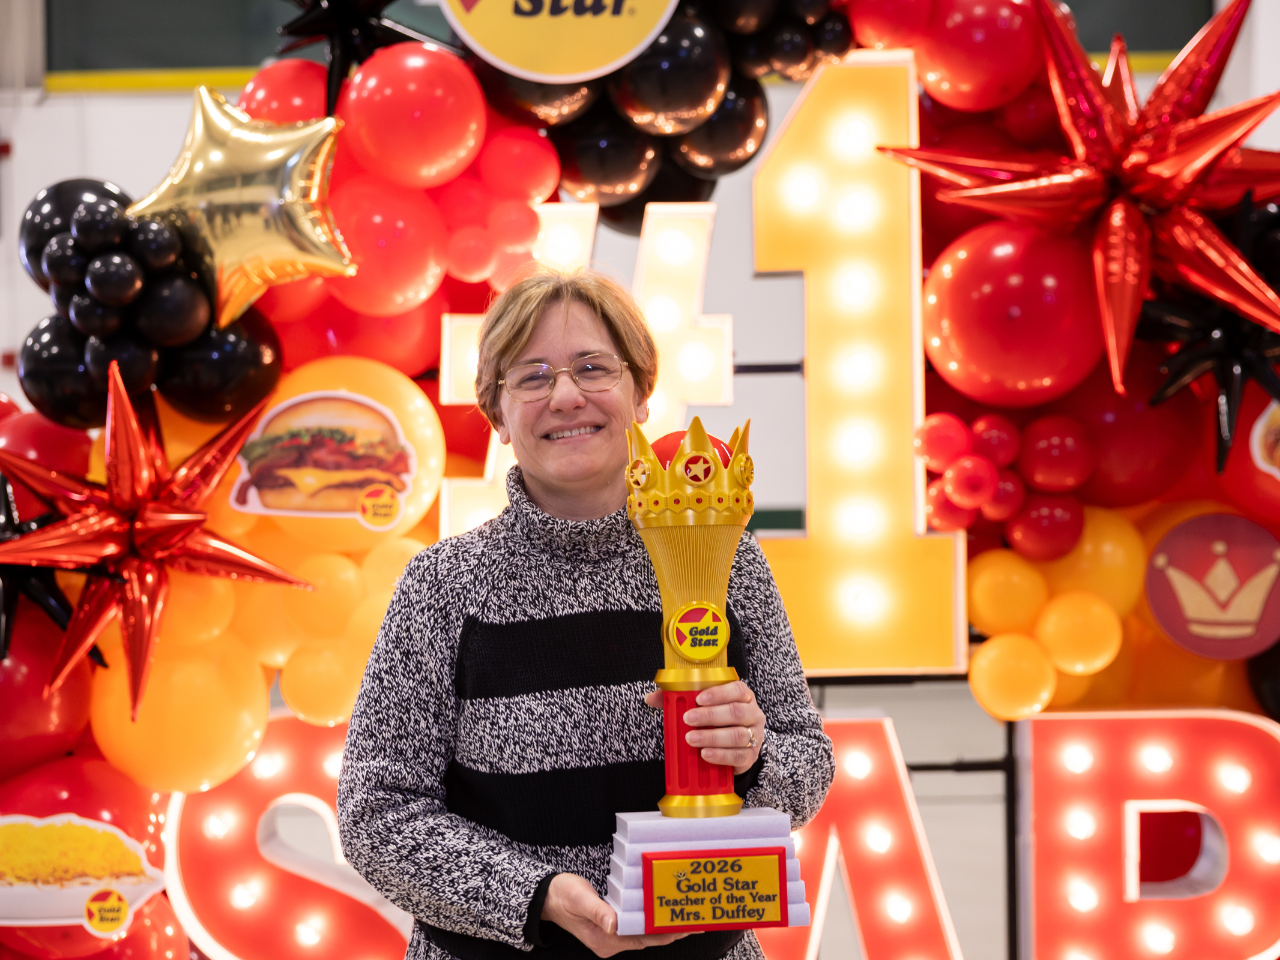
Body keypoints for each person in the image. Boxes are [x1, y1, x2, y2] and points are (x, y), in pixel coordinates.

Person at [337, 269, 834, 960]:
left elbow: (808, 762)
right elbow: (376, 813)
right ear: (498, 416)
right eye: (531, 377)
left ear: (641, 394)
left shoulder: (729, 559)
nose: (566, 396)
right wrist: (537, 895)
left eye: (593, 368)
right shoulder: (441, 587)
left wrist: (753, 756)